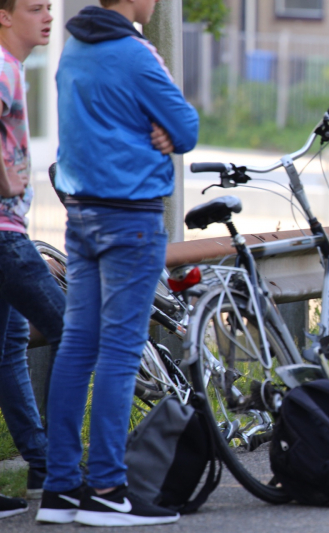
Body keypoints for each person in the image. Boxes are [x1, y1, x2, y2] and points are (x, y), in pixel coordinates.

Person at [34, 0, 198, 527]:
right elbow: (187, 127)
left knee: (77, 345)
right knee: (122, 351)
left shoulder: (73, 48)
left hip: (81, 215)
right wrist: (163, 127)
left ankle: (61, 489)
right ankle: (107, 488)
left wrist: (159, 123)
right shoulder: (135, 54)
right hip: (130, 217)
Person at [0, 0, 65, 520]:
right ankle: (64, 470)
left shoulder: (14, 66)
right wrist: (6, 177)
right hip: (4, 238)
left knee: (8, 351)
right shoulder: (1, 66)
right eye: (34, 8)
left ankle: (44, 464)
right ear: (4, 15)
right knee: (73, 330)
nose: (47, 16)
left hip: (8, 232)